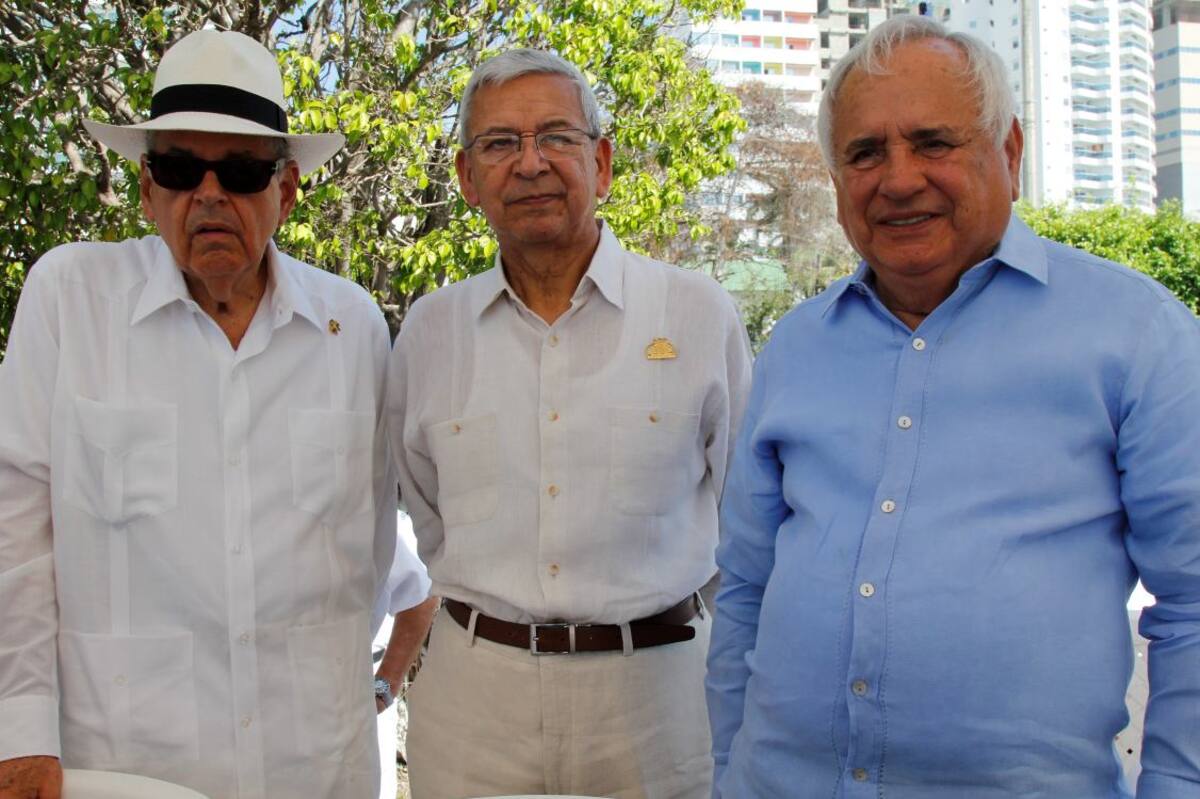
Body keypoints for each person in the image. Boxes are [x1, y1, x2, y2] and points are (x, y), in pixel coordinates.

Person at [706, 14, 1200, 799]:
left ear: (1009, 149)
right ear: (836, 181)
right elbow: (744, 591)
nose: (899, 179)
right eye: (865, 153)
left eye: (933, 142)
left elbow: (1194, 600)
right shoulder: (796, 348)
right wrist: (726, 774)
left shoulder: (1137, 335)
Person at [0, 29, 428, 799]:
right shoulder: (70, 300)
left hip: (314, 768)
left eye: (239, 171)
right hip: (125, 767)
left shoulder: (354, 326)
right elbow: (15, 533)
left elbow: (366, 555)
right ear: (145, 187)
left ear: (287, 191)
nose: (208, 195)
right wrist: (19, 733)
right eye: (177, 167)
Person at [388, 48, 752, 799]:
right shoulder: (429, 332)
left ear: (603, 161)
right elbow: (426, 510)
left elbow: (744, 521)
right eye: (499, 143)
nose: (530, 163)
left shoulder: (695, 313)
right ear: (465, 178)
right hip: (474, 702)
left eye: (556, 136)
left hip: (658, 700)